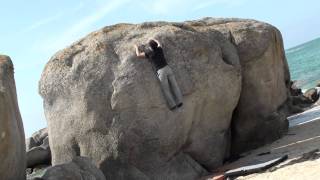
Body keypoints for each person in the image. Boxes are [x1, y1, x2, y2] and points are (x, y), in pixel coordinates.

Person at [134, 38, 183, 110]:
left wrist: (136, 47)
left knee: (166, 89)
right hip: (167, 68)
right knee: (175, 86)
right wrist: (155, 39)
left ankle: (172, 105)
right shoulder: (159, 49)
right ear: (156, 45)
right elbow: (159, 43)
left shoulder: (150, 53)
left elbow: (138, 55)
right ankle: (180, 102)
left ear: (150, 47)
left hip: (161, 71)